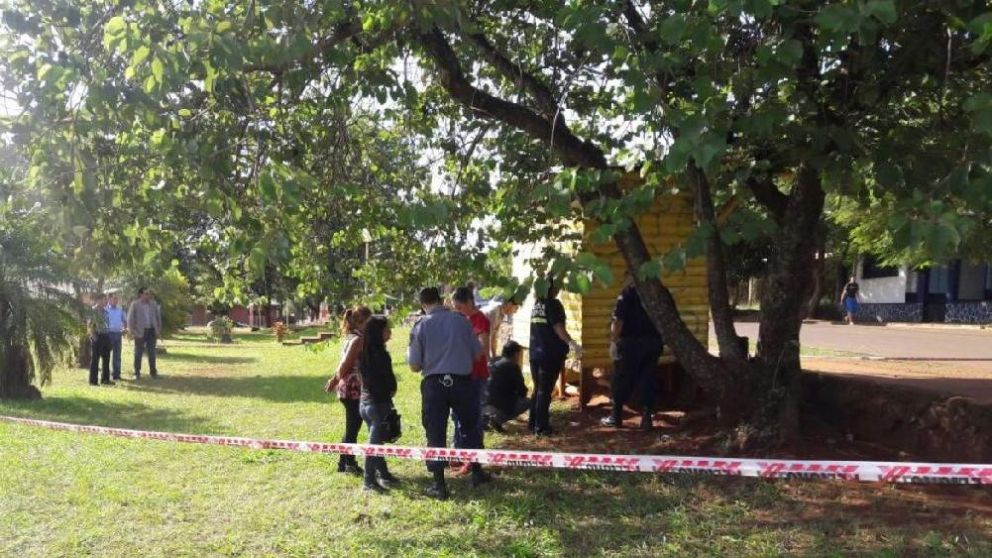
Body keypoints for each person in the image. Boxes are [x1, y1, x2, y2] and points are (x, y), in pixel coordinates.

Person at [408, 286, 489, 500]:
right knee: (470, 427)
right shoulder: (462, 320)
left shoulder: (420, 326)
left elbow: (414, 365)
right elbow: (477, 353)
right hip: (463, 382)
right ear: (441, 299)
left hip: (435, 385)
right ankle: (477, 472)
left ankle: (439, 485)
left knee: (435, 431)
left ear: (422, 304)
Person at [600, 279, 664, 431]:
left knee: (621, 379)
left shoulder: (627, 294)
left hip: (630, 344)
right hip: (653, 343)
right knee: (647, 379)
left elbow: (618, 321)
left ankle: (615, 417)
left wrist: (613, 342)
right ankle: (647, 419)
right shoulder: (659, 292)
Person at [528, 278, 582, 436]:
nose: (559, 288)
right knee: (545, 391)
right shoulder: (553, 304)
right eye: (557, 285)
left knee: (538, 389)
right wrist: (572, 343)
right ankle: (542, 428)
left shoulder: (537, 305)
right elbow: (558, 328)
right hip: (549, 355)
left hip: (535, 354)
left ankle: (533, 423)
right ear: (552, 288)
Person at [324, 306, 372, 476]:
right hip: (353, 388)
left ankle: (343, 462)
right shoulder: (358, 340)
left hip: (350, 387)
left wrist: (334, 379)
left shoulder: (352, 337)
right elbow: (345, 365)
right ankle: (348, 463)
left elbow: (343, 364)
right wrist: (334, 380)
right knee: (353, 427)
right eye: (369, 321)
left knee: (352, 427)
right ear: (361, 322)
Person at [356, 316, 400, 493]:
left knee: (377, 441)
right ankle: (369, 482)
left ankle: (384, 474)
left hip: (364, 404)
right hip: (378, 405)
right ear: (378, 333)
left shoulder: (363, 354)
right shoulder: (381, 355)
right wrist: (391, 391)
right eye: (387, 329)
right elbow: (388, 382)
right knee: (373, 445)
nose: (390, 332)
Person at [450, 286, 490, 476]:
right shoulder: (458, 320)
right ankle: (460, 454)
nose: (457, 311)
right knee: (457, 417)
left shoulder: (480, 320)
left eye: (459, 307)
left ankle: (474, 460)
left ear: (469, 303)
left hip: (476, 375)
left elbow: (483, 349)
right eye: (454, 308)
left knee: (473, 419)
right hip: (460, 376)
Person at [483, 341, 530, 432]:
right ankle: (498, 419)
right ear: (516, 354)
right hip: (501, 401)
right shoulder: (513, 366)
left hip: (485, 399)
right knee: (528, 402)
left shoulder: (493, 360)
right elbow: (522, 391)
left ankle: (485, 419)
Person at [128, 287, 163, 379]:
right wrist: (133, 332)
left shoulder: (153, 304)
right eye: (146, 293)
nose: (148, 295)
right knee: (138, 353)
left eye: (148, 293)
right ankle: (137, 373)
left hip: (151, 331)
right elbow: (130, 319)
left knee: (152, 352)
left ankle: (153, 372)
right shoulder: (135, 304)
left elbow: (158, 317)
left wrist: (158, 329)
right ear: (141, 294)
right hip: (140, 332)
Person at [87, 294, 113, 386]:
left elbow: (107, 325)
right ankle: (93, 381)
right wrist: (94, 337)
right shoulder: (93, 311)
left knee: (106, 359)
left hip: (106, 336)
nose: (106, 301)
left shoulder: (106, 312)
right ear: (98, 300)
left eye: (106, 300)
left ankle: (105, 379)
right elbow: (90, 325)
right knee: (95, 359)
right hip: (97, 336)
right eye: (104, 300)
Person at [104, 293, 127, 381]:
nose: (115, 300)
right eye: (114, 299)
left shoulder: (120, 309)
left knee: (117, 356)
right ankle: (106, 375)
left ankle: (116, 375)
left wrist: (125, 329)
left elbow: (125, 320)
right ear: (109, 300)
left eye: (116, 299)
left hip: (118, 334)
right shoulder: (105, 310)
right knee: (107, 355)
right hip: (108, 334)